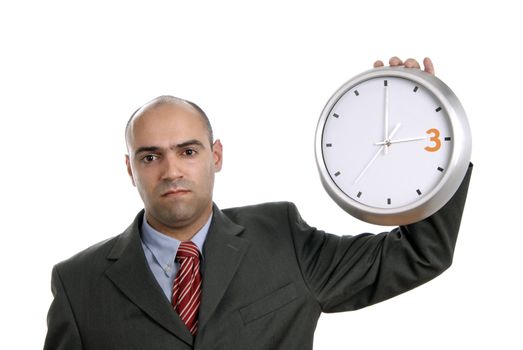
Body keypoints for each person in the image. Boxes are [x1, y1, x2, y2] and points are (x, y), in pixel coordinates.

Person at [44, 57, 472, 350]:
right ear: (130, 168)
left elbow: (422, 252)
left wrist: (435, 141)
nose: (171, 170)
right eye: (151, 156)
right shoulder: (78, 284)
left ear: (216, 156)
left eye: (188, 151)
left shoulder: (282, 236)